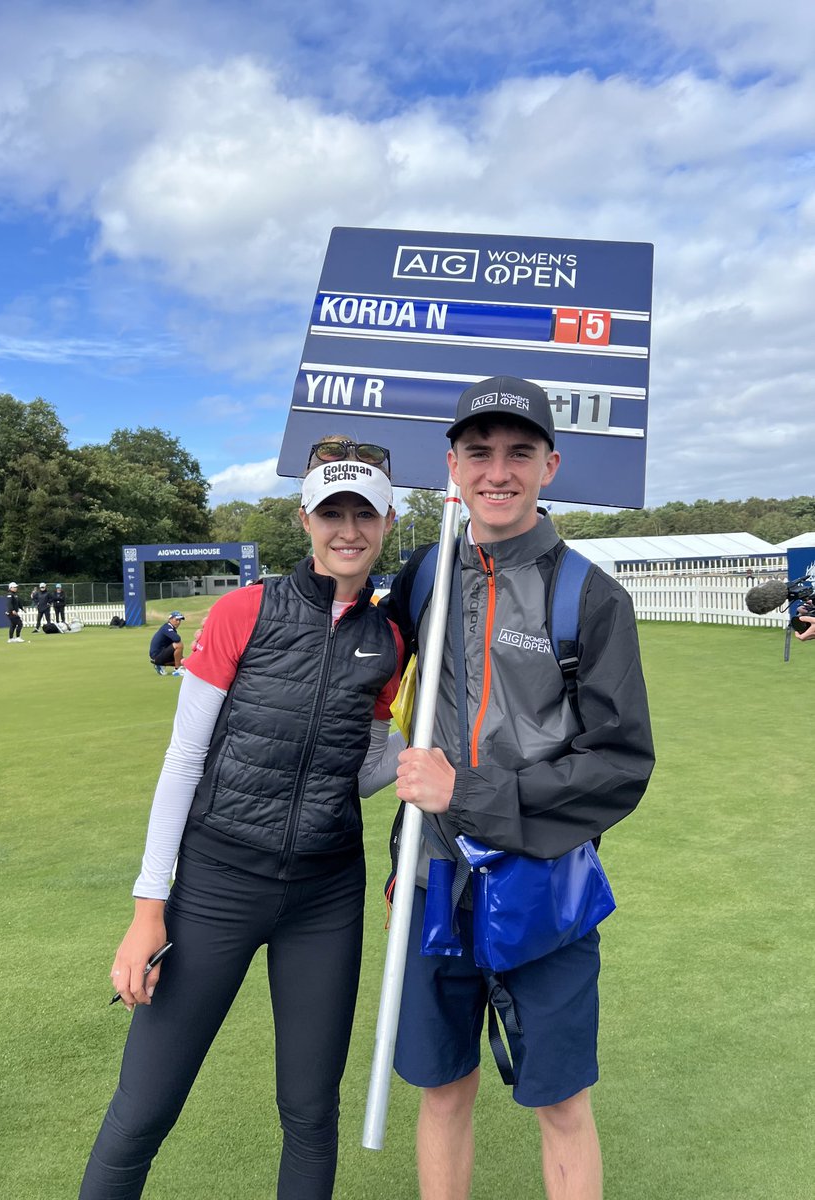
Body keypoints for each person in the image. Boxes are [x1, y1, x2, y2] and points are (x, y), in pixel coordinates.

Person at [80, 440, 404, 1199]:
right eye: (333, 512)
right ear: (306, 520)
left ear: (387, 523)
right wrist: (146, 908)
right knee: (143, 1110)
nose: (347, 528)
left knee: (309, 1114)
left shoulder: (386, 642)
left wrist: (427, 762)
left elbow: (354, 774)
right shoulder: (242, 611)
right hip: (217, 887)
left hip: (324, 898)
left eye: (364, 513)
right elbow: (182, 762)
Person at [380, 376, 655, 1200]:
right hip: (434, 887)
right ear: (453, 468)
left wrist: (465, 795)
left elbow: (620, 767)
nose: (497, 471)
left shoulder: (590, 596)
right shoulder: (427, 573)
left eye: (519, 453)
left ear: (550, 465)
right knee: (442, 1090)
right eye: (479, 453)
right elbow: (362, 654)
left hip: (545, 891)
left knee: (563, 1104)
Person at [148, 611, 187, 676]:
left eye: (180, 620)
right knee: (179, 644)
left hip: (162, 655)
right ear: (170, 619)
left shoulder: (171, 629)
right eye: (176, 619)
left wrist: (181, 659)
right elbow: (177, 639)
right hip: (157, 656)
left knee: (185, 662)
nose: (178, 622)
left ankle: (159, 665)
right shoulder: (166, 627)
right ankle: (177, 670)